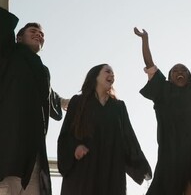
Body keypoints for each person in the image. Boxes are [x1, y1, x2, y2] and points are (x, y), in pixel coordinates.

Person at [0, 0, 68, 194]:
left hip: (33, 155)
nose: (39, 35)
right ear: (19, 36)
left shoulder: (42, 72)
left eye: (42, 34)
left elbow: (51, 98)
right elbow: (0, 18)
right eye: (33, 31)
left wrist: (69, 102)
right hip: (7, 149)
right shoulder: (8, 53)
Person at [134, 24, 191, 195]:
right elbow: (150, 65)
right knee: (167, 187)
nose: (180, 72)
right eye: (175, 70)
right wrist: (145, 40)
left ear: (190, 76)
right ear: (169, 77)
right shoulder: (163, 92)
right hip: (171, 152)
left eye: (184, 70)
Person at [57, 64, 152, 195]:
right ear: (95, 76)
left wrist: (140, 166)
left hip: (111, 170)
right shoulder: (78, 102)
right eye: (107, 71)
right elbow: (65, 135)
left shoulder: (118, 107)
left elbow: (128, 138)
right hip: (84, 170)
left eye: (113, 74)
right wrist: (75, 148)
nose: (112, 75)